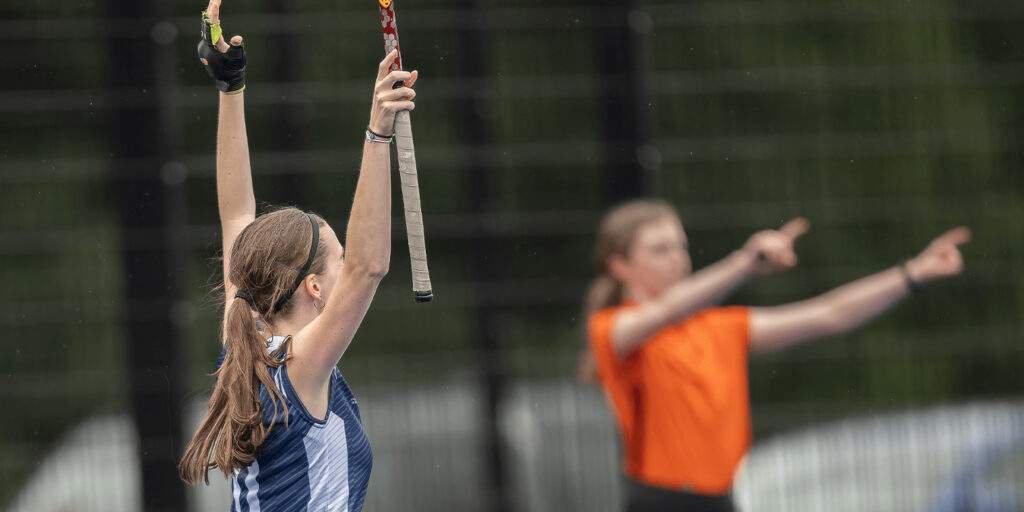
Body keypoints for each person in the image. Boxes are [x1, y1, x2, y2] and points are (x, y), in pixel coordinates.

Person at [178, 2, 419, 510]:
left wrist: (231, 89)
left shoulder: (245, 342)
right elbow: (369, 266)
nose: (347, 267)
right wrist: (378, 133)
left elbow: (237, 216)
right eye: (337, 262)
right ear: (314, 287)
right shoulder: (299, 367)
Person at [583, 199, 970, 512]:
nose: (677, 258)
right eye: (659, 249)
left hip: (722, 498)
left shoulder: (720, 328)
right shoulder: (614, 330)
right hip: (662, 500)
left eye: (680, 246)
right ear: (620, 266)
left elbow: (829, 314)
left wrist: (912, 274)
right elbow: (666, 311)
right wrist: (745, 263)